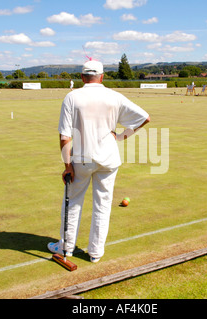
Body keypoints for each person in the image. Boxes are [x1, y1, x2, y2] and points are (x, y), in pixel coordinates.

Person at [48, 59, 150, 263]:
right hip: (109, 159)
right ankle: (95, 253)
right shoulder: (115, 96)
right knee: (103, 205)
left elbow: (64, 136)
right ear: (102, 77)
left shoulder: (72, 97)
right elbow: (144, 118)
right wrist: (120, 137)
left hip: (82, 159)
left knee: (73, 202)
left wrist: (67, 165)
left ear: (82, 77)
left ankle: (66, 248)